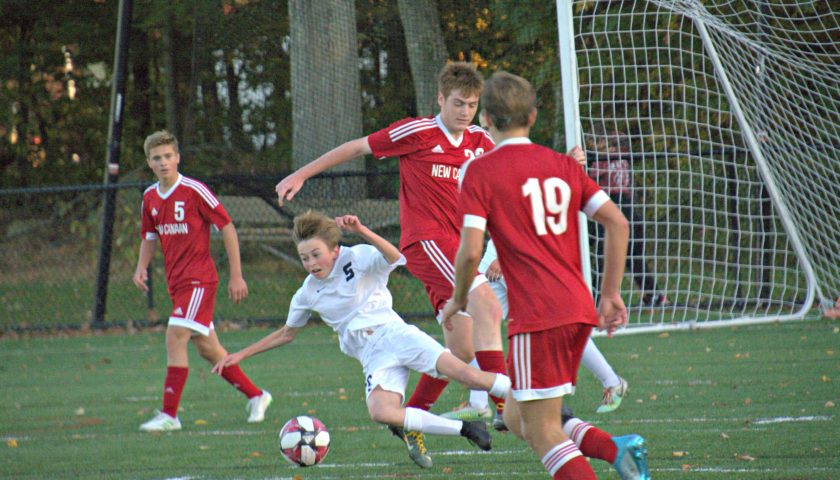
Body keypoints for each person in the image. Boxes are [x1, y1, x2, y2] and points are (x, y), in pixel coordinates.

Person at [275, 62, 508, 462]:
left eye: (472, 105)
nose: (465, 111)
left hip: (457, 246)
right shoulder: (417, 132)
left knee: (461, 349)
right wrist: (302, 174)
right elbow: (357, 147)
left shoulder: (480, 141)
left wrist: (564, 164)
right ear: (440, 98)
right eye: (457, 103)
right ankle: (509, 405)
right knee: (488, 306)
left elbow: (511, 175)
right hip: (426, 243)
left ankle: (409, 419)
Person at [441, 71, 649, 479]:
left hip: (538, 317)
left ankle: (607, 455)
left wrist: (459, 298)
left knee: (543, 430)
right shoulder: (562, 165)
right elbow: (617, 222)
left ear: (485, 118)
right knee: (517, 418)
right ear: (533, 116)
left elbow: (470, 252)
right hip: (577, 309)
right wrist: (610, 293)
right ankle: (615, 449)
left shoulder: (480, 171)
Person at [211, 211, 512, 469]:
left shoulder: (357, 256)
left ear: (335, 250)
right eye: (304, 258)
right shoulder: (306, 293)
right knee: (382, 412)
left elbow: (396, 257)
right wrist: (241, 354)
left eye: (316, 254)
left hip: (396, 335)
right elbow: (287, 333)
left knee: (469, 375)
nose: (311, 263)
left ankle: (528, 395)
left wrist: (362, 231)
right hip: (372, 356)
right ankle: (466, 428)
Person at [133, 130, 272, 432]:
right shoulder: (149, 197)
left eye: (168, 156)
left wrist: (236, 275)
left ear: (177, 158)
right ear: (149, 163)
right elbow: (149, 236)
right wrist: (141, 267)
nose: (163, 162)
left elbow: (228, 227)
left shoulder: (194, 190)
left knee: (175, 336)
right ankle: (256, 395)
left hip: (199, 280)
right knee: (209, 349)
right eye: (157, 158)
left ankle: (169, 415)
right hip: (177, 283)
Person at [444, 238, 628, 419]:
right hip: (498, 252)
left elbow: (524, 223)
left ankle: (612, 382)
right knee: (474, 323)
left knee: (559, 325)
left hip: (522, 257)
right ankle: (478, 402)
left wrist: (505, 258)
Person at [587, 128, 667, 307]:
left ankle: (595, 299)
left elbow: (591, 178)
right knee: (633, 258)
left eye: (599, 141)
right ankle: (655, 295)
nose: (595, 145)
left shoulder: (603, 161)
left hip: (614, 210)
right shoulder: (623, 159)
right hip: (630, 211)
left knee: (604, 256)